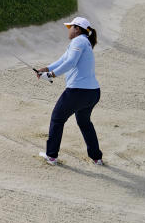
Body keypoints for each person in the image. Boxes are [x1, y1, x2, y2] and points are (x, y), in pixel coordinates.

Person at [36, 16, 104, 166]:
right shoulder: (83, 42)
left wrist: (52, 75)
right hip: (92, 93)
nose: (68, 30)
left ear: (77, 29)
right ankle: (97, 158)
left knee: (57, 119)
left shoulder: (78, 41)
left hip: (78, 92)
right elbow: (63, 60)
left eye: (70, 27)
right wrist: (46, 69)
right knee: (84, 122)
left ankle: (51, 156)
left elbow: (71, 62)